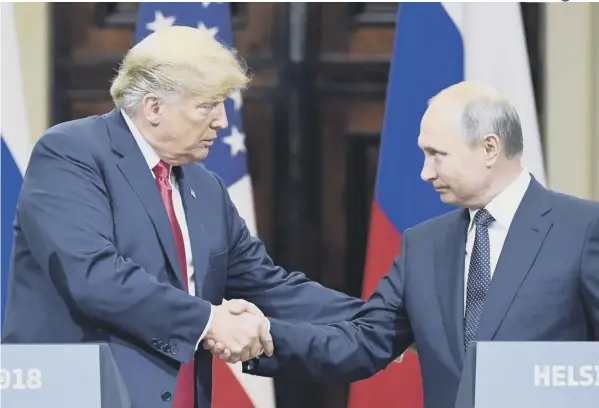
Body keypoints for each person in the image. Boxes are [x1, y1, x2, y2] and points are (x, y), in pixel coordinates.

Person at [1, 26, 363, 408]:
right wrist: (211, 321)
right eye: (208, 105)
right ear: (154, 107)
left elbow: (269, 286)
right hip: (79, 394)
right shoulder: (71, 154)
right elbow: (93, 275)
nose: (223, 121)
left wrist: (383, 319)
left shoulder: (205, 188)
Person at [239, 81, 599, 408]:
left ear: (489, 147)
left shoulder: (582, 229)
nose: (426, 172)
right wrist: (265, 336)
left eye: (437, 154)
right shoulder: (423, 245)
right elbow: (363, 342)